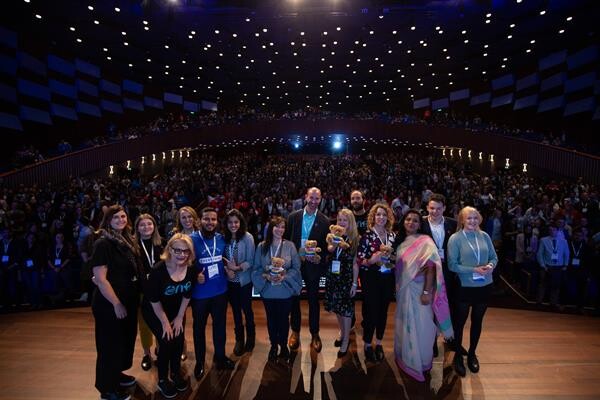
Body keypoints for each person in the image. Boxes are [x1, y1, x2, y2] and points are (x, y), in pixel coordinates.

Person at [394, 210, 453, 381]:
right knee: (406, 325)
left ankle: (422, 362)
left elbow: (431, 268)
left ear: (420, 224)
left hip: (421, 291)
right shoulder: (400, 242)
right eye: (408, 219)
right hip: (404, 291)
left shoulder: (425, 241)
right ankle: (407, 359)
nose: (411, 223)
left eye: (415, 221)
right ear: (403, 222)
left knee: (424, 326)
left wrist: (427, 291)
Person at [90, 205, 141, 400]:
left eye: (123, 216)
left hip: (128, 299)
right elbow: (101, 279)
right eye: (116, 217)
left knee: (122, 342)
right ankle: (107, 389)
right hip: (110, 304)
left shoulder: (126, 239)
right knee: (109, 346)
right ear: (108, 221)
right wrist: (116, 303)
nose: (121, 219)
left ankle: (116, 375)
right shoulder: (103, 243)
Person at [142, 233, 196, 398]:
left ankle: (175, 373)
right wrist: (165, 322)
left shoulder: (191, 268)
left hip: (176, 309)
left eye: (186, 251)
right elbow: (154, 300)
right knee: (166, 341)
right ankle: (163, 379)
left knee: (178, 340)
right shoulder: (158, 270)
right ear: (170, 250)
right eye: (178, 250)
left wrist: (180, 317)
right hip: (154, 310)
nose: (182, 254)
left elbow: (187, 295)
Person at [447, 206, 498, 377]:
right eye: (469, 218)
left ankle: (472, 354)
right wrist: (474, 270)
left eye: (475, 218)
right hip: (464, 287)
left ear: (480, 219)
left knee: (477, 322)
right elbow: (452, 265)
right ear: (462, 220)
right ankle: (458, 357)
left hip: (484, 286)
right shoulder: (455, 239)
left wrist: (491, 265)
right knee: (460, 323)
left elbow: (494, 257)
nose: (473, 221)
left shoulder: (484, 236)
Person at [190, 207, 234, 380]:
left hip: (220, 292)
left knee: (220, 326)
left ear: (217, 221)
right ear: (200, 220)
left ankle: (220, 357)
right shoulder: (191, 239)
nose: (210, 222)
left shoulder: (221, 239)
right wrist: (194, 275)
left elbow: (222, 259)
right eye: (206, 219)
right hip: (200, 295)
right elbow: (184, 263)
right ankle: (200, 362)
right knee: (198, 329)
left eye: (213, 219)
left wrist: (228, 268)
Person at [285, 187, 330, 353]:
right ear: (305, 197)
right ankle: (295, 331)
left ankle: (315, 333)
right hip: (295, 267)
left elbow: (326, 248)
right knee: (294, 300)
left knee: (313, 301)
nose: (313, 201)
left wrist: (318, 257)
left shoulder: (325, 221)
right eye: (311, 197)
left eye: (317, 199)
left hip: (313, 267)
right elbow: (286, 242)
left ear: (320, 200)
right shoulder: (293, 217)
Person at [252, 216, 302, 361]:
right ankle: (274, 345)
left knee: (284, 319)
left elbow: (296, 268)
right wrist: (266, 276)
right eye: (277, 226)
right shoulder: (262, 246)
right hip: (268, 290)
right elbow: (256, 268)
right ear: (271, 228)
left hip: (285, 290)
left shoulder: (290, 245)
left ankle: (283, 345)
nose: (280, 230)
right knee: (271, 319)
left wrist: (285, 275)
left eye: (283, 227)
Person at [419, 194, 459, 354]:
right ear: (427, 207)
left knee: (444, 304)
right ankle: (432, 340)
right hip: (426, 271)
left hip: (447, 271)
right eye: (432, 208)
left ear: (444, 208)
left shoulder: (453, 224)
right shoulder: (420, 223)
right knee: (428, 306)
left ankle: (447, 336)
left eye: (438, 208)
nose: (434, 211)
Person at [357, 203, 396, 362]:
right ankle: (367, 344)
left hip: (387, 278)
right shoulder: (366, 235)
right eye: (378, 214)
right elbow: (360, 259)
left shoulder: (392, 236)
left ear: (388, 218)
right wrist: (371, 260)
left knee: (383, 311)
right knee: (371, 312)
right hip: (370, 278)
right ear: (373, 217)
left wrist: (392, 259)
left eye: (384, 215)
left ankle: (379, 343)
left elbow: (397, 257)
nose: (381, 217)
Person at [324, 209, 359, 357]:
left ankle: (346, 341)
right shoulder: (333, 236)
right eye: (339, 220)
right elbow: (329, 250)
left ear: (350, 222)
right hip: (333, 277)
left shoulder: (355, 239)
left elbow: (355, 264)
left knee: (346, 310)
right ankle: (343, 332)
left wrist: (354, 284)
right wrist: (335, 242)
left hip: (346, 279)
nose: (342, 222)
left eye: (345, 220)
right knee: (337, 308)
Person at [223, 209, 256, 356]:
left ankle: (251, 337)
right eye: (230, 222)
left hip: (244, 281)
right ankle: (239, 340)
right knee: (236, 312)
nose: (233, 225)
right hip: (230, 282)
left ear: (240, 222)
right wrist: (226, 269)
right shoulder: (224, 238)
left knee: (247, 310)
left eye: (236, 222)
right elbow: (221, 258)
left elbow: (251, 260)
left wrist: (236, 268)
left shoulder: (247, 237)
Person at [134, 214, 164, 371]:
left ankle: (160, 350)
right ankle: (147, 354)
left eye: (149, 224)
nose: (146, 227)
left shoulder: (162, 243)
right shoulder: (133, 246)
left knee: (161, 321)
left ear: (154, 226)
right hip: (141, 291)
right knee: (144, 324)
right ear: (137, 228)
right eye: (142, 225)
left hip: (160, 291)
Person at [536, 222, 570, 309]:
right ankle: (539, 302)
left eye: (554, 230)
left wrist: (565, 265)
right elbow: (540, 254)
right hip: (547, 266)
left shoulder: (564, 241)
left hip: (558, 267)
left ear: (557, 231)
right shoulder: (543, 240)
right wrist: (543, 265)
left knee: (556, 286)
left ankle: (553, 303)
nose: (552, 231)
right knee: (543, 284)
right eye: (550, 230)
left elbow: (566, 254)